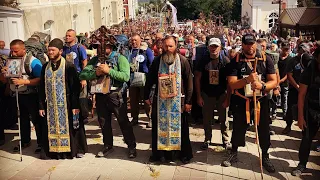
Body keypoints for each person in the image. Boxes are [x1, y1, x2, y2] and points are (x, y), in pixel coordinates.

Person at [222, 34, 277, 173]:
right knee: (238, 128)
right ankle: (234, 152)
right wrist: (247, 80)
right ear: (242, 44)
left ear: (255, 44)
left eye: (252, 43)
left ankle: (265, 155)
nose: (250, 46)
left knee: (264, 129)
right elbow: (232, 84)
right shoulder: (236, 61)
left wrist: (262, 86)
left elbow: (273, 81)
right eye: (247, 44)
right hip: (241, 101)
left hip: (261, 101)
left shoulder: (265, 59)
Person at [79, 34, 137, 159]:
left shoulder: (120, 59)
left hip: (115, 95)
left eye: (103, 47)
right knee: (103, 122)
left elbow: (125, 76)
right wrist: (96, 72)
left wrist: (109, 71)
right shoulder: (95, 60)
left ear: (110, 47)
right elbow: (83, 74)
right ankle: (107, 145)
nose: (100, 50)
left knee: (123, 122)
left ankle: (131, 146)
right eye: (98, 47)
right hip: (100, 95)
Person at [145, 36, 193, 164]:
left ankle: (182, 155)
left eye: (170, 46)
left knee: (181, 129)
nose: (167, 49)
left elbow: (189, 82)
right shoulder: (157, 61)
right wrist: (145, 97)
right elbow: (149, 80)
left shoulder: (183, 61)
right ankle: (160, 155)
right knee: (159, 128)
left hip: (178, 103)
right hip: (160, 102)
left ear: (175, 46)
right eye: (165, 46)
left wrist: (188, 102)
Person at [39, 38, 87, 159]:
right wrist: (40, 105)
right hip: (50, 105)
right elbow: (41, 87)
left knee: (72, 127)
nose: (50, 52)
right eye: (49, 50)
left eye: (52, 50)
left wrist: (75, 106)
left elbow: (75, 88)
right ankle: (54, 151)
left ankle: (72, 150)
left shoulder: (69, 66)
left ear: (60, 51)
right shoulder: (45, 67)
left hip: (68, 104)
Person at [1, 40, 43, 153]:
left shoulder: (33, 62)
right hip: (17, 94)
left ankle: (41, 143)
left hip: (32, 95)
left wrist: (23, 81)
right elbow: (5, 80)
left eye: (16, 51)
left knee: (36, 120)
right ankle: (25, 141)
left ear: (23, 50)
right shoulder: (10, 61)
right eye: (12, 51)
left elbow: (41, 79)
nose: (13, 53)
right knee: (22, 119)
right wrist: (4, 73)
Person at [194, 37, 231, 150]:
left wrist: (228, 98)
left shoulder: (225, 61)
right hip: (207, 93)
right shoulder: (202, 61)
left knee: (224, 119)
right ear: (208, 47)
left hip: (222, 94)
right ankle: (207, 139)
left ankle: (226, 140)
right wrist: (199, 96)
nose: (213, 48)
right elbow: (197, 79)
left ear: (220, 47)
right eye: (211, 46)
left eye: (216, 46)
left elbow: (230, 81)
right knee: (207, 118)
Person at [292, 47, 320, 176]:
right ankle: (302, 164)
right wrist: (300, 117)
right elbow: (301, 95)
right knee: (307, 139)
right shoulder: (310, 71)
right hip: (311, 110)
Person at [62, 29, 89, 123]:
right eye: (66, 35)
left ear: (74, 37)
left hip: (78, 75)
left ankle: (84, 116)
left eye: (69, 36)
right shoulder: (64, 49)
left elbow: (84, 62)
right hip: (67, 76)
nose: (67, 37)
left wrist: (84, 77)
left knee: (81, 97)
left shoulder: (79, 48)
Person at [283, 43, 311, 134]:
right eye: (302, 51)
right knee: (291, 108)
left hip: (306, 89)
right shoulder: (292, 60)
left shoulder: (309, 60)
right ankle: (288, 125)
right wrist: (297, 86)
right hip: (294, 88)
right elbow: (289, 75)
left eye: (305, 51)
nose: (303, 53)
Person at [129, 33, 154, 126]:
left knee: (146, 99)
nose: (134, 42)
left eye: (136, 40)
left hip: (144, 79)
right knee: (133, 100)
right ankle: (135, 118)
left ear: (140, 41)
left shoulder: (146, 50)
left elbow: (151, 63)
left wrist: (150, 78)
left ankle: (150, 118)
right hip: (133, 79)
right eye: (132, 40)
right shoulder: (130, 51)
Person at [277, 41, 292, 118]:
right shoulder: (277, 57)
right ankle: (274, 112)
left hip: (285, 81)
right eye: (284, 49)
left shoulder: (290, 59)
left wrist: (282, 80)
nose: (286, 51)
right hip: (277, 80)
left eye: (287, 49)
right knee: (276, 97)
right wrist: (277, 80)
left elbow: (289, 72)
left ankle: (285, 113)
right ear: (281, 48)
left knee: (285, 97)